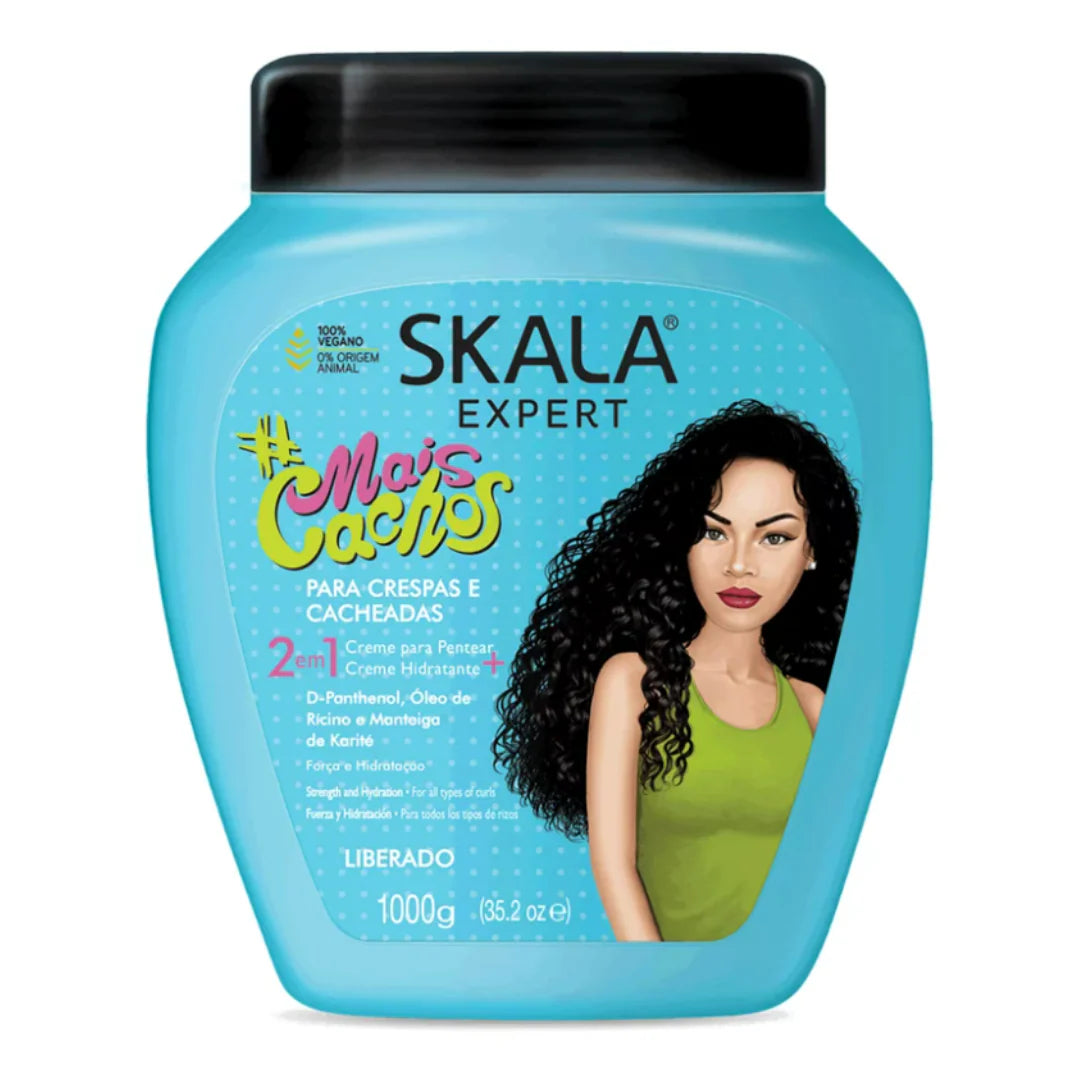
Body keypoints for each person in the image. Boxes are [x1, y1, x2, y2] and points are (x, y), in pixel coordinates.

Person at [491, 399, 860, 941]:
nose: (739, 563)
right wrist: (660, 978)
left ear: (812, 552)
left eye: (774, 537)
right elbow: (614, 867)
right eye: (714, 532)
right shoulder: (632, 684)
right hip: (670, 979)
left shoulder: (813, 708)